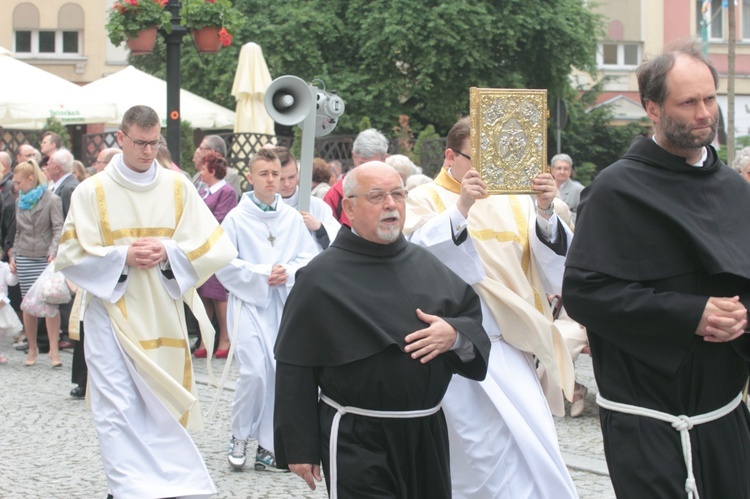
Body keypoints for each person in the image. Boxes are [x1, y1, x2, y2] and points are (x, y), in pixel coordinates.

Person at [562, 39, 750, 498]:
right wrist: (692, 315)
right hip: (645, 419)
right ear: (652, 108)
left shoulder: (734, 189)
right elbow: (585, 293)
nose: (705, 113)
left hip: (724, 413)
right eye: (688, 103)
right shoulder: (615, 190)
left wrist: (742, 314)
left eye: (709, 99)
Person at [274, 162, 490, 498]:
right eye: (377, 196)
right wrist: (300, 447)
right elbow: (295, 364)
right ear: (349, 207)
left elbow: (470, 320)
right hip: (357, 436)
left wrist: (454, 335)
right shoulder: (320, 278)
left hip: (425, 429)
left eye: (398, 195)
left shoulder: (427, 263)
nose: (391, 205)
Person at [55, 105, 237, 498]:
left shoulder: (178, 187)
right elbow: (68, 256)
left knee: (160, 404)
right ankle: (126, 488)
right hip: (112, 315)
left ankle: (173, 484)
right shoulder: (92, 192)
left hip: (163, 313)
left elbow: (216, 247)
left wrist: (169, 251)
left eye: (154, 143)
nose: (148, 151)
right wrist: (122, 257)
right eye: (140, 143)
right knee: (116, 408)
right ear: (121, 139)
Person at [403, 117, 577, 498]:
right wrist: (462, 207)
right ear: (451, 156)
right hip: (456, 353)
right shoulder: (425, 198)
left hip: (510, 347)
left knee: (531, 452)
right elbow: (416, 259)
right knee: (476, 462)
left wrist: (546, 213)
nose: (489, 170)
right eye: (476, 159)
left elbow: (553, 273)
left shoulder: (517, 202)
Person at [215, 147, 319, 472]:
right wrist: (262, 274)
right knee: (254, 372)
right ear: (251, 177)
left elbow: (309, 258)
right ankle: (238, 435)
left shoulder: (291, 218)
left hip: (283, 305)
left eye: (276, 173)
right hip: (249, 303)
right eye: (264, 173)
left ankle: (267, 444)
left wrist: (286, 273)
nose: (272, 179)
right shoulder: (235, 218)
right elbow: (223, 262)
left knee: (278, 374)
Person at [11, 160, 64, 367]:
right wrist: (14, 254)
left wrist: (53, 251)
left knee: (49, 303)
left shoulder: (52, 199)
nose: (15, 186)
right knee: (27, 305)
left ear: (30, 179)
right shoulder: (20, 201)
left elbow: (58, 227)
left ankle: (54, 350)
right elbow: (18, 231)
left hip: (44, 257)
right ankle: (32, 348)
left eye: (18, 182)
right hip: (24, 255)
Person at [193, 150, 238, 359]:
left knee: (217, 295)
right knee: (204, 294)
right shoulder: (205, 191)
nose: (201, 172)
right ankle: (205, 338)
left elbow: (221, 218)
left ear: (212, 170)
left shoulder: (226, 191)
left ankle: (225, 337)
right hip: (202, 248)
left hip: (217, 248)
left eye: (203, 168)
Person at [273, 147, 340, 251]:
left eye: (292, 177)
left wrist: (319, 228)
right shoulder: (259, 208)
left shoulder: (317, 206)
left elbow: (337, 242)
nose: (287, 184)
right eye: (281, 179)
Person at [323, 128, 388, 226]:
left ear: (384, 159)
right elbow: (326, 232)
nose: (367, 171)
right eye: (362, 164)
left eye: (372, 165)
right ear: (354, 157)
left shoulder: (395, 191)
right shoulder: (336, 194)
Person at [191, 135, 242, 199]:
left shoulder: (229, 175)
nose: (197, 151)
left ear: (212, 152)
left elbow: (228, 202)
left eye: (201, 148)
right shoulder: (197, 176)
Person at [550, 153, 584, 224]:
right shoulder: (545, 189)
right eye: (559, 168)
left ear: (570, 171)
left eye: (565, 169)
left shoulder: (579, 190)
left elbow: (584, 215)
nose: (562, 172)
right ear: (552, 170)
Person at [0, 258, 22, 364]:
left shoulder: (3, 267)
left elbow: (11, 282)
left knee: (1, 329)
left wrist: (14, 273)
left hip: (1, 303)